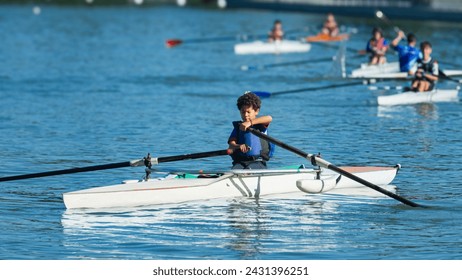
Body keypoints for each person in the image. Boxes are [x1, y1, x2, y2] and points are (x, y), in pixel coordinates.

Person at [228, 92, 273, 169]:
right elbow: (231, 144)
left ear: (256, 111)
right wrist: (239, 146)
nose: (245, 115)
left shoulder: (261, 125)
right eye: (243, 112)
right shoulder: (238, 127)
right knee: (234, 170)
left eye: (248, 112)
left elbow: (269, 118)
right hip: (240, 162)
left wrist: (250, 123)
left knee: (249, 170)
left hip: (258, 162)